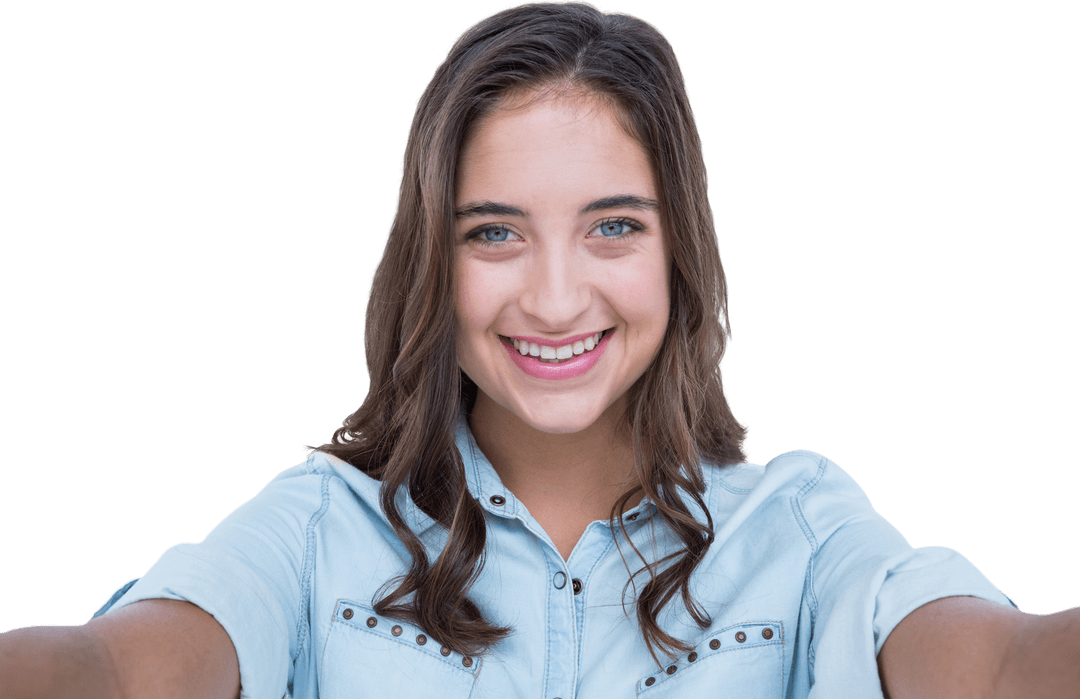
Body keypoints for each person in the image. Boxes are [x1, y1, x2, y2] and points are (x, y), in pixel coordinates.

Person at [1, 2, 1077, 698]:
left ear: (676, 252)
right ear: (437, 257)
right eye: (495, 232)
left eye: (613, 226)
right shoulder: (315, 530)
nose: (556, 299)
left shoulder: (797, 529)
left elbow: (996, 668)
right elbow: (118, 672)